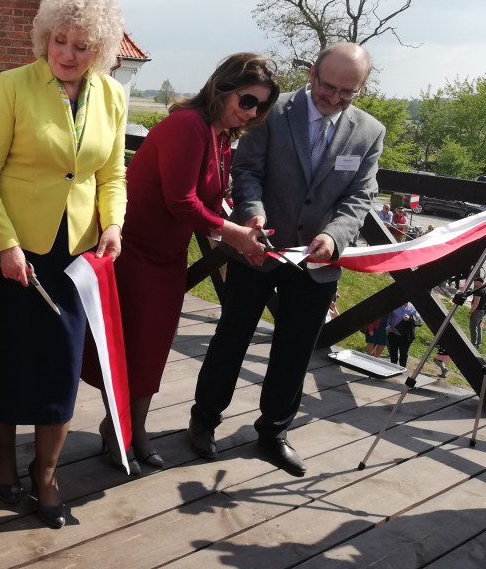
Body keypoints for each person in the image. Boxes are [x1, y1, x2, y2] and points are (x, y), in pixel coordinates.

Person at [0, 0, 127, 529]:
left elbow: (112, 173)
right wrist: (5, 244)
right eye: (60, 40)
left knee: (60, 363)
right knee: (8, 355)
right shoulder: (13, 85)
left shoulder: (113, 95)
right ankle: (3, 452)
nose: (68, 54)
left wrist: (114, 225)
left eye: (82, 46)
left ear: (100, 51)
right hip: (9, 248)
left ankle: (47, 472)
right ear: (45, 36)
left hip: (74, 254)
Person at [188, 42, 385, 477]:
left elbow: (360, 196)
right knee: (231, 337)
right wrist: (251, 216)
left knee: (296, 351)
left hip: (317, 262)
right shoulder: (272, 111)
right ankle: (203, 420)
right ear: (312, 74)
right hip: (256, 249)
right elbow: (247, 171)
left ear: (361, 88)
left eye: (346, 93)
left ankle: (274, 431)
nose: (334, 99)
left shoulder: (371, 132)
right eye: (327, 87)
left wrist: (334, 237)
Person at [83, 53, 276, 473]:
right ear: (223, 87)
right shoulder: (187, 126)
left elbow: (208, 200)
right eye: (248, 100)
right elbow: (180, 200)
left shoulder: (220, 133)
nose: (253, 112)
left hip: (168, 255)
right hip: (134, 250)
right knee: (130, 346)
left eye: (262, 106)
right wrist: (233, 234)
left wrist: (247, 223)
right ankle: (121, 431)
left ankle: (132, 429)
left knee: (153, 348)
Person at [386, 302, 421, 368]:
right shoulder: (394, 305)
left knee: (404, 353)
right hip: (393, 333)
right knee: (393, 351)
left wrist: (410, 318)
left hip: (406, 335)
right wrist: (388, 326)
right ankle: (393, 366)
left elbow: (418, 319)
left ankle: (402, 368)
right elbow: (387, 316)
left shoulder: (411, 307)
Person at [466, 279, 485, 350]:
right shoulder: (484, 289)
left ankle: (473, 345)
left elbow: (476, 303)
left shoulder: (478, 290)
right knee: (479, 328)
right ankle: (478, 344)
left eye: (475, 281)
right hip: (482, 311)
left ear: (479, 282)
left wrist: (470, 312)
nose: (474, 282)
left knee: (473, 328)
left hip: (476, 311)